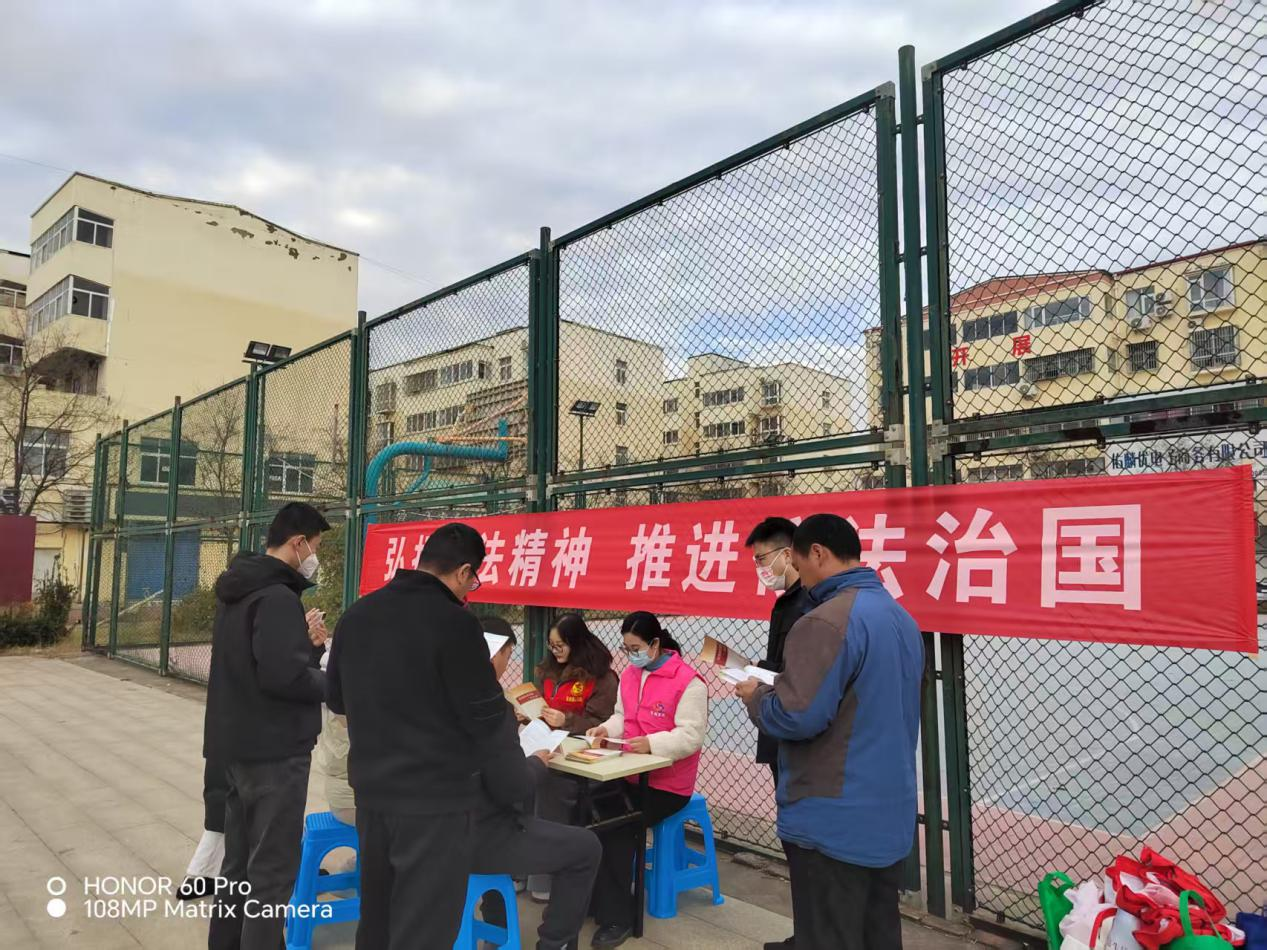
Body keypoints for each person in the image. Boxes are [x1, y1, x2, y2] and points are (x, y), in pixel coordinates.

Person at [736, 513, 923, 950]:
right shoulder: (901, 618)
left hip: (833, 820)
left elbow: (795, 716)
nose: (798, 577)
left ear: (817, 553)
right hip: (887, 814)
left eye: (798, 564)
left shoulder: (823, 621)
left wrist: (757, 698)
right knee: (877, 933)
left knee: (827, 935)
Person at [326, 522, 507, 950]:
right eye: (473, 580)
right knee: (425, 926)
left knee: (378, 919)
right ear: (464, 572)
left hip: (373, 796)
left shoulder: (357, 615)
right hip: (435, 803)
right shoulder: (457, 624)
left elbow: (336, 699)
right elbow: (486, 717)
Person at [204, 501, 331, 950]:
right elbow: (284, 678)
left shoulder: (241, 588)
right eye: (315, 547)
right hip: (275, 753)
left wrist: (307, 648)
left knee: (238, 867)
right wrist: (336, 683)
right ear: (298, 543)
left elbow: (259, 666)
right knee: (272, 874)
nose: (315, 557)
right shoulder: (277, 597)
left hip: (237, 746)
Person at [473, 616, 603, 950]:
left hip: (433, 828)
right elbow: (511, 786)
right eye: (508, 656)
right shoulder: (491, 707)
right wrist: (535, 763)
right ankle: (553, 943)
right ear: (497, 654)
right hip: (480, 835)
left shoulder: (437, 695)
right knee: (586, 847)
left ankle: (496, 932)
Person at [585, 612, 708, 949]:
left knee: (618, 827)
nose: (631, 655)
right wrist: (605, 729)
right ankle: (595, 900)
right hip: (628, 773)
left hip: (667, 785)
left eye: (636, 648)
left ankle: (619, 917)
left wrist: (652, 743)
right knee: (587, 810)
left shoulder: (689, 682)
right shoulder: (630, 674)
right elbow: (622, 717)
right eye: (626, 649)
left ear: (655, 644)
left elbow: (691, 736)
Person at [745, 516, 810, 950]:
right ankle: (804, 934)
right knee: (793, 838)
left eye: (762, 559)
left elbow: (797, 676)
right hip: (779, 730)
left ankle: (811, 937)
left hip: (796, 734)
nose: (760, 568)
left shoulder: (809, 605)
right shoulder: (787, 602)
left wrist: (759, 678)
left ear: (789, 554)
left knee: (804, 842)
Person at [526, 614, 619, 902]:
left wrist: (565, 720)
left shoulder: (602, 678)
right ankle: (519, 869)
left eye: (561, 645)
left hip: (580, 760)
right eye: (551, 646)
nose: (555, 652)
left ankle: (543, 878)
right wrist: (527, 713)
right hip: (548, 749)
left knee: (547, 787)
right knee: (518, 779)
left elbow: (600, 723)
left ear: (577, 643)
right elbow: (539, 705)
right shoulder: (548, 672)